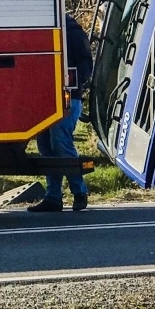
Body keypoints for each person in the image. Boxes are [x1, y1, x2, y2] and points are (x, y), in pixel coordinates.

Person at [29, 14, 93, 213]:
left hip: (67, 98)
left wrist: (74, 83)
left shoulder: (72, 32)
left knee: (60, 142)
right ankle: (54, 198)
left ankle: (79, 192)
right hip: (48, 99)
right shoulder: (59, 29)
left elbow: (85, 64)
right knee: (47, 146)